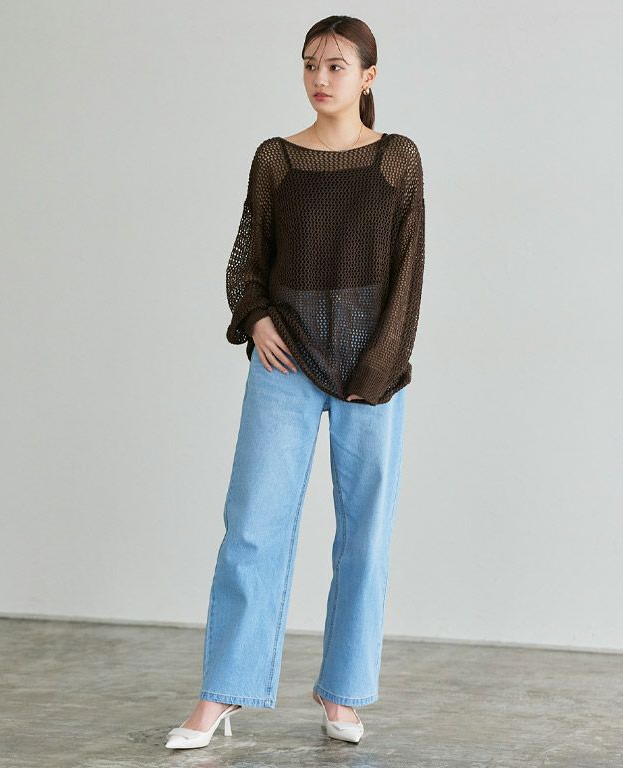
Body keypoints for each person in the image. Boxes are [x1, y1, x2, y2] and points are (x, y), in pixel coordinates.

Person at [166, 13, 425, 750]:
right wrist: (255, 320)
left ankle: (342, 693)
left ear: (368, 77)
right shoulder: (275, 159)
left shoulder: (397, 159)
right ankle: (223, 690)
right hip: (285, 361)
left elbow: (409, 272)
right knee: (253, 524)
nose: (320, 78)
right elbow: (247, 259)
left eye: (336, 66)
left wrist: (378, 366)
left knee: (365, 533)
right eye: (311, 64)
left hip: (371, 367)